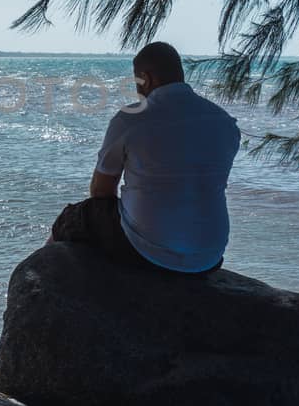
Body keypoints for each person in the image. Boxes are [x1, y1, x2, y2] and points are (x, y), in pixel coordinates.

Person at [50, 41, 240, 272]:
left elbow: (100, 192)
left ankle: (40, 284)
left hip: (147, 252)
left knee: (73, 217)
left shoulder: (130, 120)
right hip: (209, 257)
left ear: (146, 78)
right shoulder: (225, 122)